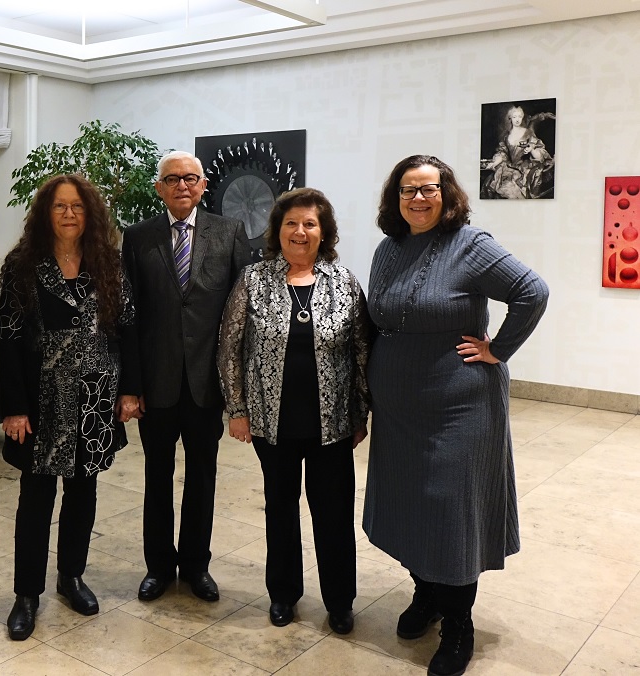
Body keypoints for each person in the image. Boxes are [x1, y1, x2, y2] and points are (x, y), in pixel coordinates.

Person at [363, 155, 549, 676]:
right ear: (394, 198)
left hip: (458, 405)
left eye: (428, 189)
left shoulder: (471, 245)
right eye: (407, 190)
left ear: (447, 193)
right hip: (400, 409)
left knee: (449, 508)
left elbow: (532, 291)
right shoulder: (388, 249)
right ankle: (426, 594)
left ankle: (458, 623)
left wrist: (499, 348)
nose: (417, 199)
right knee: (411, 503)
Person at [217, 188, 371, 633]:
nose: (300, 232)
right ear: (277, 230)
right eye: (291, 223)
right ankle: (283, 595)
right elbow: (229, 347)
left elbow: (363, 350)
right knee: (280, 510)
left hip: (333, 425)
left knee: (334, 514)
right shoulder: (254, 279)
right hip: (272, 423)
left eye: (309, 224)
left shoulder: (343, 281)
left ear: (324, 232)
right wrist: (237, 409)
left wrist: (361, 412)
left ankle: (340, 601)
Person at [0, 174, 140, 641]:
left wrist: (129, 391)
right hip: (41, 398)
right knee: (35, 499)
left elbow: (129, 330)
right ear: (45, 213)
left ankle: (71, 577)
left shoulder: (109, 264)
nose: (69, 214)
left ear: (90, 213)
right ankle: (26, 594)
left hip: (98, 395)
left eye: (77, 206)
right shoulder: (21, 265)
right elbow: (10, 339)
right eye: (59, 206)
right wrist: (14, 407)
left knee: (83, 492)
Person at [121, 151, 250, 603]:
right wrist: (129, 387)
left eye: (190, 178)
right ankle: (158, 566)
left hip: (204, 384)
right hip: (155, 385)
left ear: (202, 185)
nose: (181, 186)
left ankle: (196, 565)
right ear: (159, 187)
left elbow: (240, 314)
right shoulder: (137, 238)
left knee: (202, 477)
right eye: (172, 179)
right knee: (156, 478)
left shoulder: (229, 232)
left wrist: (237, 392)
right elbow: (128, 318)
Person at [481, 105, 555, 199]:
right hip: (508, 167)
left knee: (513, 185)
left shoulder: (528, 133)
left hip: (524, 168)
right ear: (510, 118)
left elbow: (540, 152)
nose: (517, 119)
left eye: (520, 117)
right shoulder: (506, 136)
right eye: (514, 117)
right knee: (491, 183)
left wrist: (531, 149)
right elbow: (502, 153)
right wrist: (495, 162)